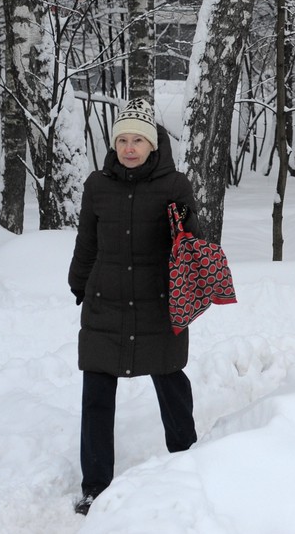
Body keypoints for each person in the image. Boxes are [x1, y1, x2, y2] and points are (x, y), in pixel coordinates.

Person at [67, 98, 202, 516]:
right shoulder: (97, 185)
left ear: (152, 144)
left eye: (137, 140)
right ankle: (95, 487)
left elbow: (193, 242)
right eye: (122, 139)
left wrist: (183, 222)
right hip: (105, 302)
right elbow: (87, 240)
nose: (129, 147)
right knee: (96, 393)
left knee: (171, 382)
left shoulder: (174, 185)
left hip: (158, 303)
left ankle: (188, 461)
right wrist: (79, 281)